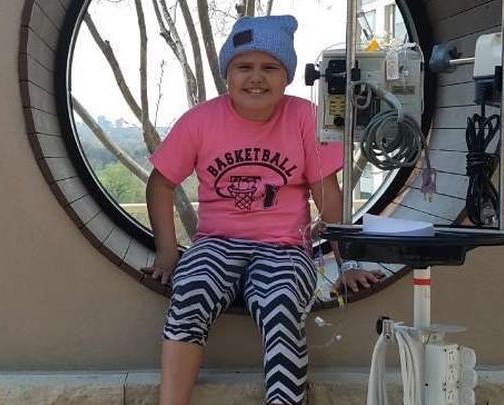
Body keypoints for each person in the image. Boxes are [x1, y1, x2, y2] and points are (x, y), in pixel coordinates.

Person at [143, 15, 383, 405]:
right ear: (227, 75)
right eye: (244, 67)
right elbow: (160, 183)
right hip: (216, 242)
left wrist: (348, 262)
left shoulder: (304, 117)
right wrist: (168, 253)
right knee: (190, 290)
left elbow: (327, 195)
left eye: (270, 67)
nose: (256, 77)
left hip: (284, 248)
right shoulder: (201, 120)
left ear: (287, 76)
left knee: (283, 301)